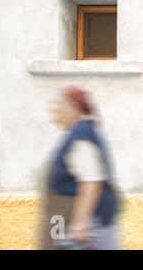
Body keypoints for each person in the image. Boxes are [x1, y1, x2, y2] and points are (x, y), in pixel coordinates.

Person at [38, 85, 120, 249]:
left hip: (87, 226)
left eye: (58, 104)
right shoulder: (75, 133)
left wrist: (79, 225)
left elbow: (91, 181)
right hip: (63, 220)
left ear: (72, 107)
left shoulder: (81, 135)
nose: (53, 109)